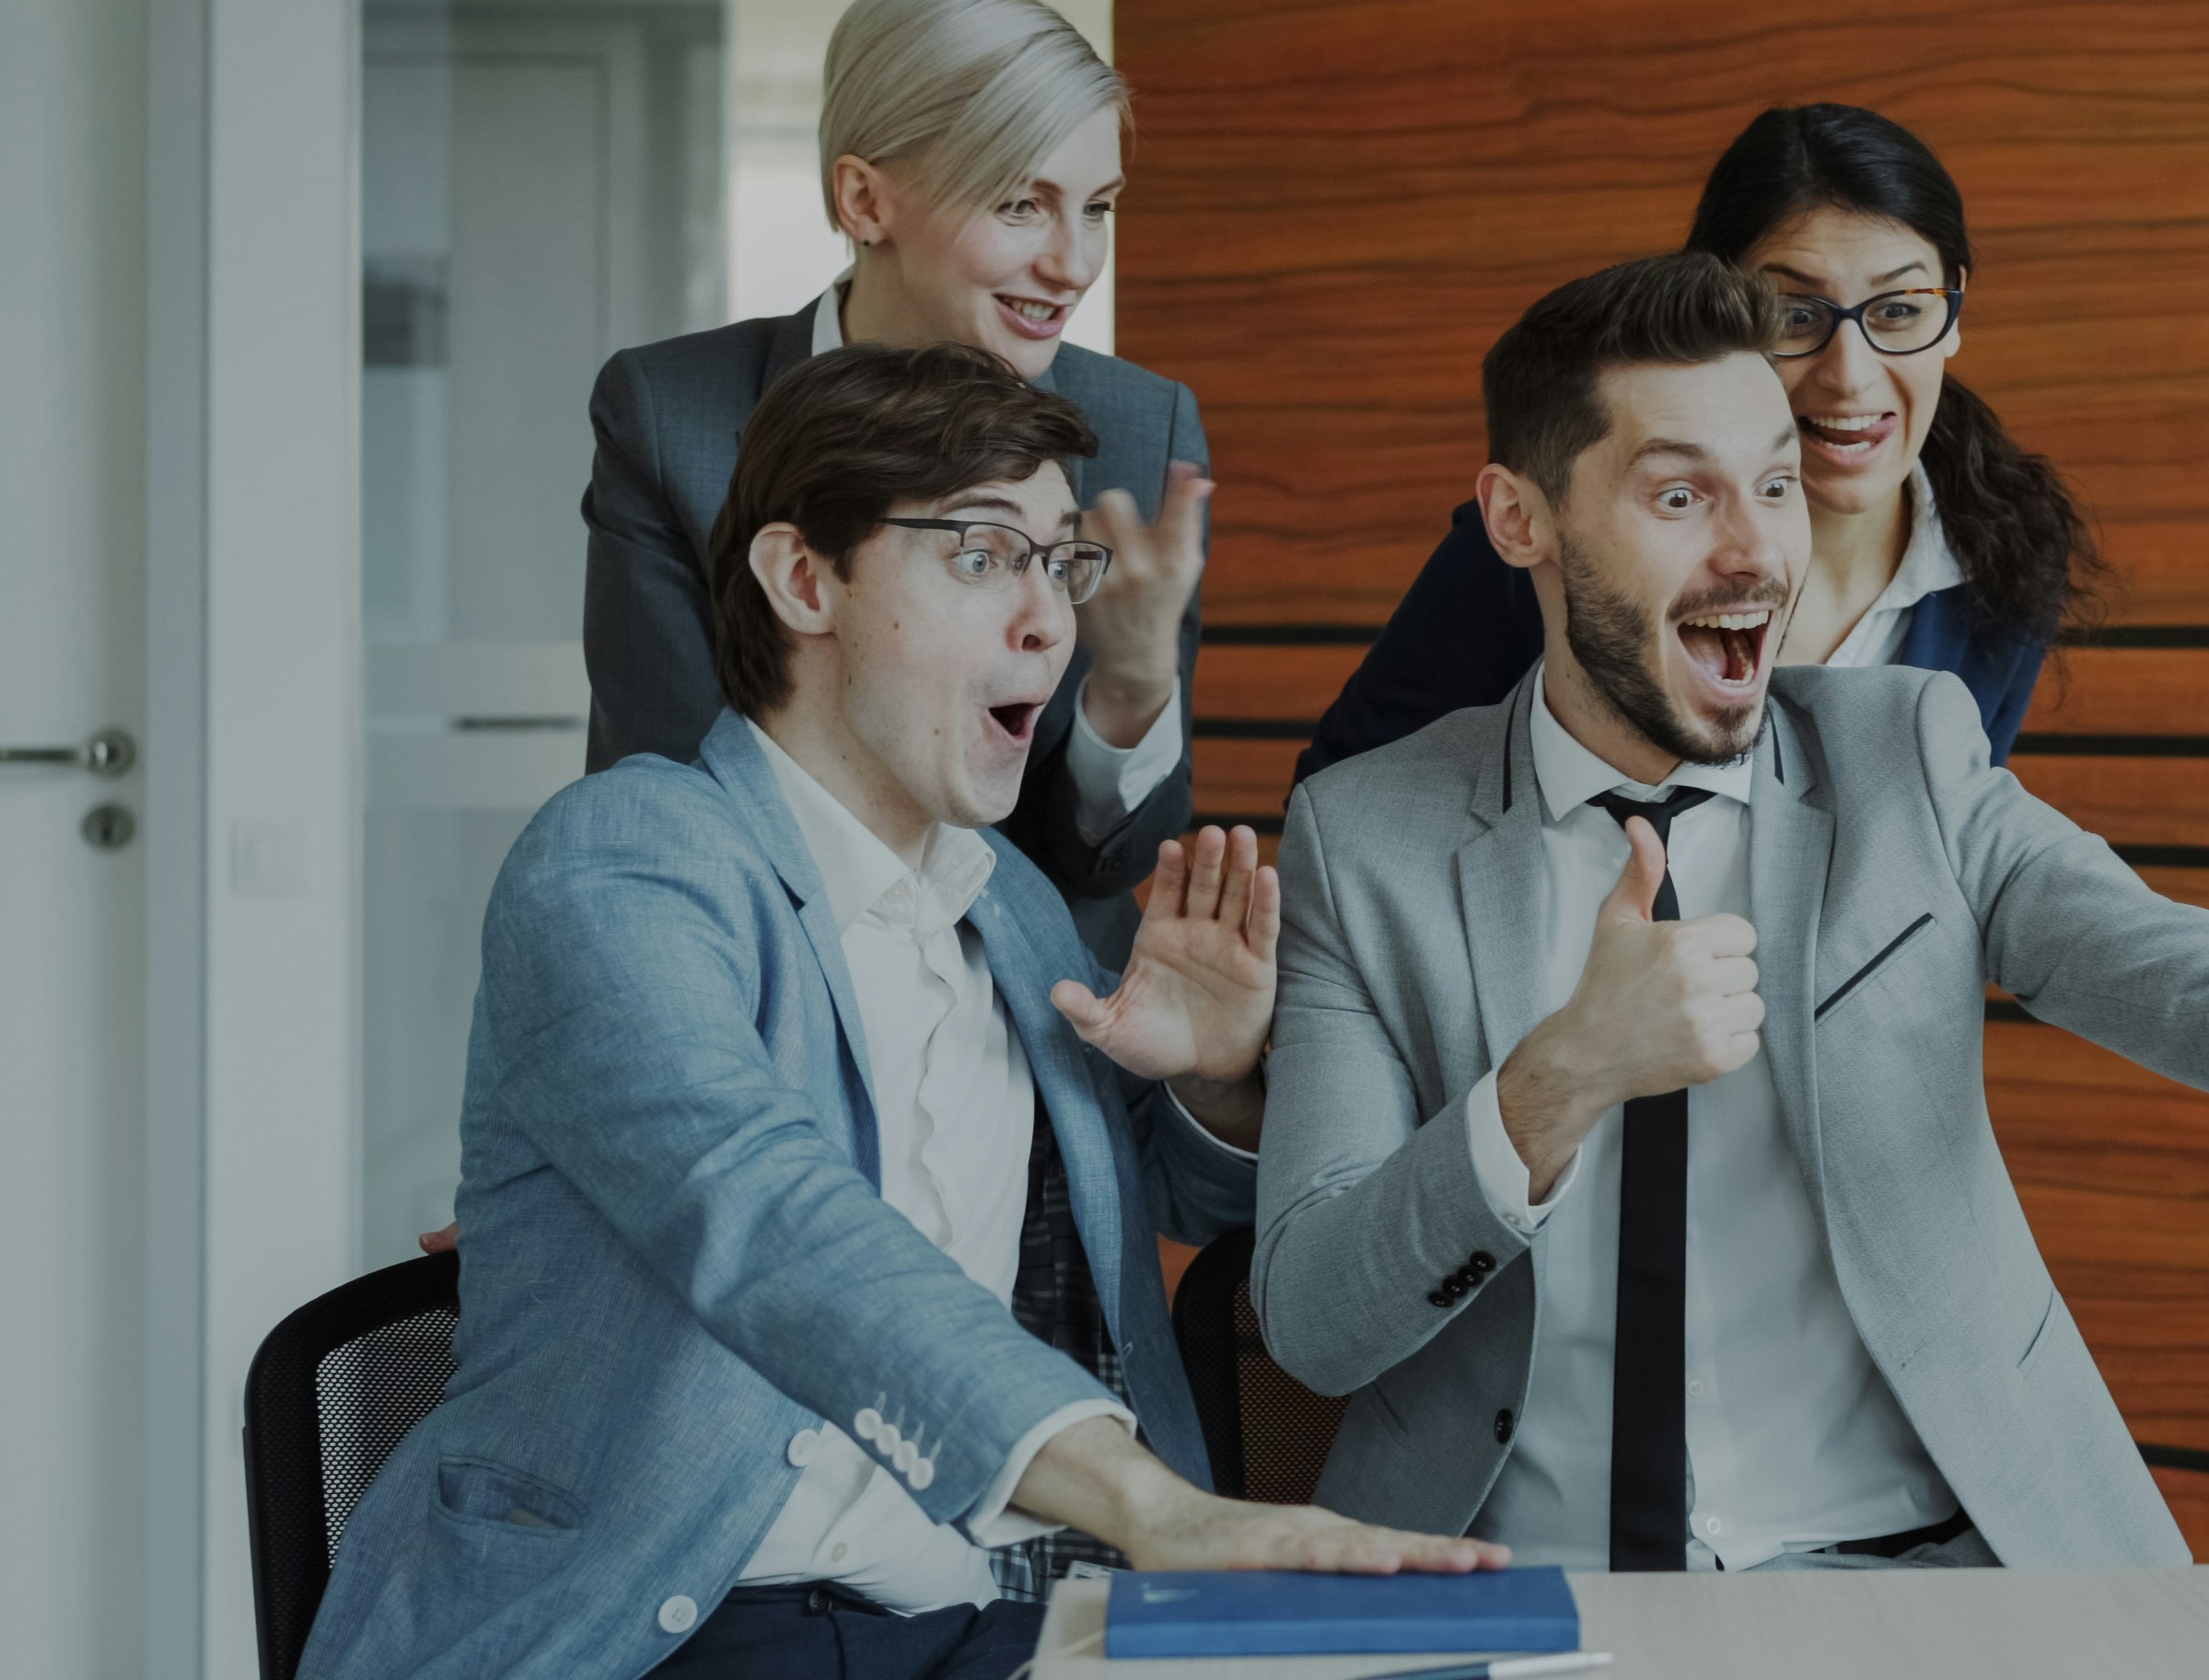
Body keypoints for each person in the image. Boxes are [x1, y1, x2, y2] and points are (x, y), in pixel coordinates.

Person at [1249, 255, 2209, 1570]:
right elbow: (1314, 1315)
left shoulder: (1909, 759)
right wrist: (1560, 1078)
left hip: (1913, 1570)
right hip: (1533, 1584)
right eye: (1678, 494)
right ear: (1519, 519)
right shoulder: (1367, 840)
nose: (1752, 550)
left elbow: (2190, 989)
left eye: (1775, 486)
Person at [306, 346, 1501, 1680]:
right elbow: (766, 1210)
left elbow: (1169, 1222)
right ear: (802, 577)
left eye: (1063, 564)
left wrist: (1214, 1083)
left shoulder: (1017, 909)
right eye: (986, 556)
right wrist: (1152, 1503)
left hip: (968, 1627)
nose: (1049, 620)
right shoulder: (625, 860)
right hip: (656, 1627)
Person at [586, 0, 1204, 972]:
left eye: (1097, 208)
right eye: (1019, 203)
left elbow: (1100, 861)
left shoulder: (1140, 432)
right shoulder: (670, 417)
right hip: (764, 980)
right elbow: (668, 798)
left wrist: (1132, 689)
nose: (1073, 262)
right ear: (864, 198)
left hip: (1033, 1014)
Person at [1297, 103, 2093, 778]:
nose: (1851, 376)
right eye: (1793, 316)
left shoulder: (2009, 552)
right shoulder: (1556, 536)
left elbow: (1954, 861)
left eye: (1898, 310)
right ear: (1717, 322)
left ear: (1954, 309)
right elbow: (1348, 803)